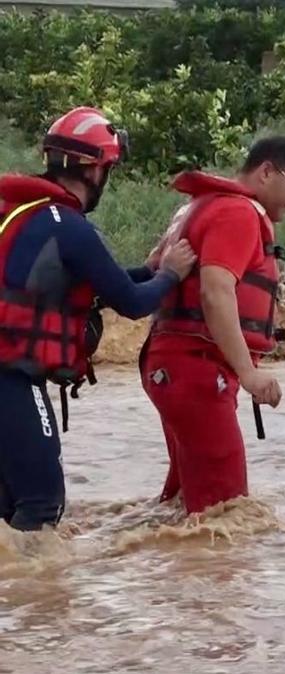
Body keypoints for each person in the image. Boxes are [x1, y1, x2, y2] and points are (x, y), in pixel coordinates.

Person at [0, 106, 196, 532]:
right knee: (42, 505)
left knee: (9, 509)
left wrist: (150, 270)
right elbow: (132, 303)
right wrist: (171, 275)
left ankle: (17, 597)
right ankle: (41, 597)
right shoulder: (70, 227)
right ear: (93, 170)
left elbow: (98, 284)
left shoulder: (24, 212)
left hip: (8, 376)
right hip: (10, 381)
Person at [141, 136, 285, 516]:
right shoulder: (238, 213)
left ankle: (147, 569)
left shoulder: (197, 207)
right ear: (267, 171)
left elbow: (153, 263)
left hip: (172, 368)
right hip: (196, 371)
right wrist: (248, 373)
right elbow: (215, 292)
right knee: (225, 514)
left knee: (186, 507)